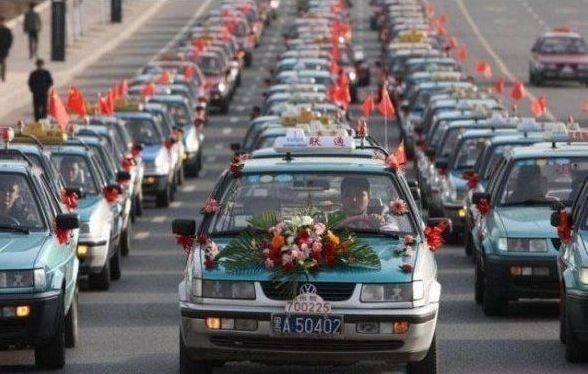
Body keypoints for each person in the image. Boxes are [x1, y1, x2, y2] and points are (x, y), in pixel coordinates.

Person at [0, 16, 13, 82]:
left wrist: (8, 46)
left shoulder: (7, 30)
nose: (1, 23)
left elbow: (10, 39)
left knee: (3, 64)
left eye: (2, 21)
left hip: (4, 50)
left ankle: (3, 76)